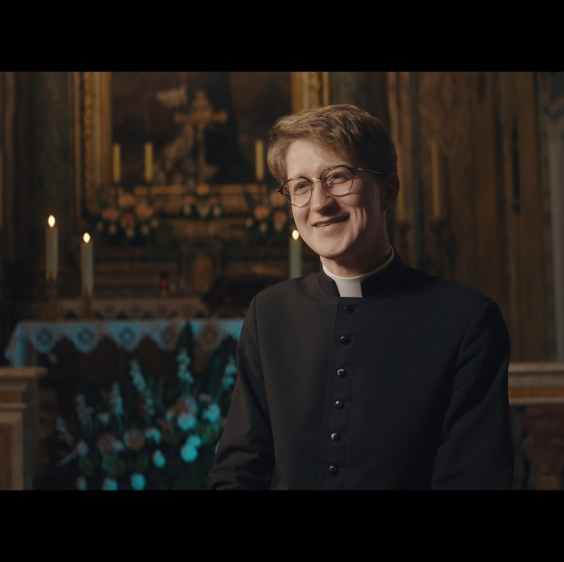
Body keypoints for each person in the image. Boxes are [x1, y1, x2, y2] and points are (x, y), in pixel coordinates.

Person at [209, 104, 512, 490]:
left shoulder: (467, 321)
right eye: (300, 186)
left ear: (388, 191)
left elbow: (473, 479)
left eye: (337, 177)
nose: (319, 203)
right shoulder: (268, 313)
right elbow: (239, 469)